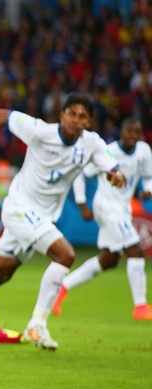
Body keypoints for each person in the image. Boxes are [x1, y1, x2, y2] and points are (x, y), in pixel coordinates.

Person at [0, 94, 126, 350]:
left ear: (89, 121)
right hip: (19, 208)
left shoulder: (91, 144)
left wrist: (117, 175)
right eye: (72, 113)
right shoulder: (40, 131)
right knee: (65, 255)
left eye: (82, 116)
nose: (75, 120)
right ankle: (37, 324)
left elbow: (112, 166)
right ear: (62, 115)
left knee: (0, 273)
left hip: (41, 217)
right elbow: (2, 115)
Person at [54, 116, 152, 320]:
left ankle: (62, 287)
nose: (133, 136)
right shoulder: (109, 152)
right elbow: (82, 173)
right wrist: (81, 203)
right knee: (135, 249)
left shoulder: (144, 151)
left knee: (108, 260)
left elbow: (148, 176)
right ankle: (141, 307)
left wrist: (148, 190)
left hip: (123, 209)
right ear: (121, 133)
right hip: (106, 207)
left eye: (137, 132)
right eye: (129, 132)